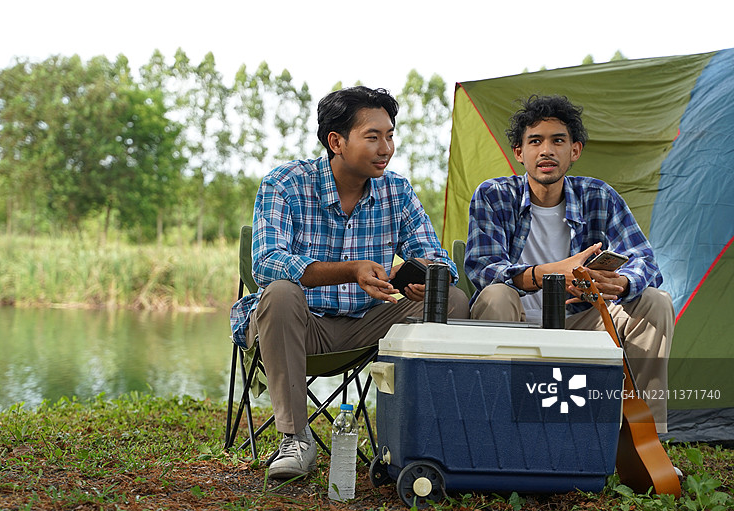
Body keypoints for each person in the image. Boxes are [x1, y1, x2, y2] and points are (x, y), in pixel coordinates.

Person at [230, 86, 470, 479]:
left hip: (369, 325)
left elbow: (440, 260)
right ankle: (295, 440)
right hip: (299, 325)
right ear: (336, 142)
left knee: (452, 299)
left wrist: (425, 276)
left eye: (390, 135)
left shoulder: (397, 191)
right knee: (280, 293)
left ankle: (417, 437)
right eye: (372, 137)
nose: (386, 148)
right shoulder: (285, 184)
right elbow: (267, 264)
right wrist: (350, 270)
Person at [464, 94, 674, 433]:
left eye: (558, 141)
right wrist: (550, 274)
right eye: (535, 141)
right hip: (512, 322)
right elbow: (482, 268)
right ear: (519, 153)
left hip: (579, 321)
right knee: (496, 294)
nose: (546, 150)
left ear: (574, 151)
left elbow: (645, 261)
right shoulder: (493, 195)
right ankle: (496, 433)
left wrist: (619, 283)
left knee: (654, 301)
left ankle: (643, 439)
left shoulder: (599, 196)